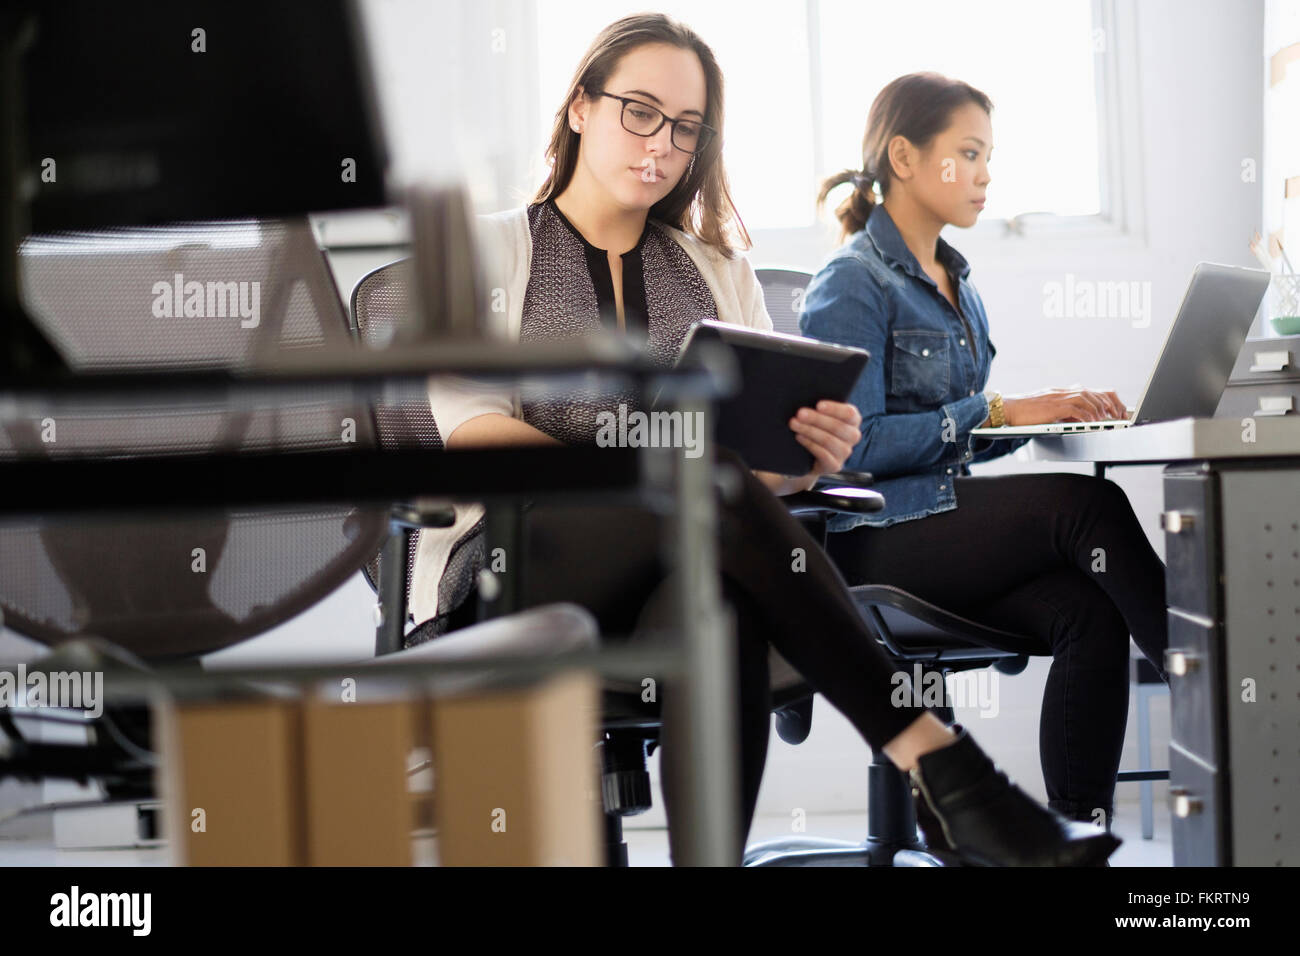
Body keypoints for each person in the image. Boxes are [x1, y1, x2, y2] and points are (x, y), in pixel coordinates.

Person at [411, 15, 1118, 866]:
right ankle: (936, 759)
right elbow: (477, 434)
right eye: (640, 111)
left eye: (686, 127)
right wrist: (674, 471)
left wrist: (806, 456)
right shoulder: (489, 249)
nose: (662, 143)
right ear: (578, 109)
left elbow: (762, 482)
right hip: (516, 565)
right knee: (704, 488)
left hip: (681, 568)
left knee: (721, 604)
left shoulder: (717, 269)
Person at [800, 71, 1170, 830]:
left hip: (938, 532)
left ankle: (1077, 833)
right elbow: (852, 449)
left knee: (1088, 610)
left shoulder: (960, 287)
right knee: (1085, 503)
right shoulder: (853, 281)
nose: (985, 174)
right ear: (903, 157)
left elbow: (958, 453)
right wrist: (997, 407)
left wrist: (1046, 418)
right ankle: (1221, 702)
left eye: (988, 156)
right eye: (967, 153)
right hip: (873, 539)